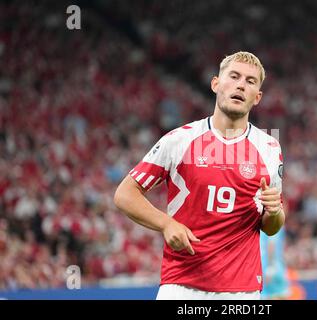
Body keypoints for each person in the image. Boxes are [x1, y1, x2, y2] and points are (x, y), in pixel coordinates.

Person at [114, 51, 285, 300]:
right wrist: (166, 223)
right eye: (234, 76)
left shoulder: (270, 148)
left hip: (241, 292)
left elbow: (271, 226)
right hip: (181, 286)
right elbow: (124, 194)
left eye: (250, 81)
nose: (240, 85)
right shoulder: (180, 140)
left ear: (257, 97)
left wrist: (275, 212)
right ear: (215, 83)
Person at [260, 227, 291, 299]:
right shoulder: (276, 219)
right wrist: (270, 268)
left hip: (261, 267)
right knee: (281, 295)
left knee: (265, 295)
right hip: (273, 266)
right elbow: (271, 245)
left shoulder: (259, 223)